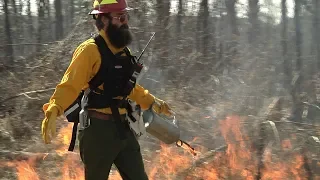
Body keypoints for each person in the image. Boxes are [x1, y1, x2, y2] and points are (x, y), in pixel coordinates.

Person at [40, 0, 173, 179]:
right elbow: (70, 84)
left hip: (124, 129)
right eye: (120, 17)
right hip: (97, 131)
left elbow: (127, 87)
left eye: (126, 16)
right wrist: (55, 108)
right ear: (103, 20)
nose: (125, 22)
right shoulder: (89, 50)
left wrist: (151, 101)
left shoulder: (123, 52)